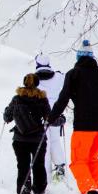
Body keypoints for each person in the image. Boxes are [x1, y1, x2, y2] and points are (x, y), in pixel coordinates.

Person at [48, 40, 98, 194]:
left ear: (79, 57)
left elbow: (63, 98)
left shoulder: (74, 74)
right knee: (92, 160)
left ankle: (90, 192)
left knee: (78, 161)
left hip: (84, 126)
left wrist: (51, 117)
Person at [3, 73, 51, 194]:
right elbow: (49, 117)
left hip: (20, 139)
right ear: (37, 83)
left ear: (24, 83)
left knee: (23, 166)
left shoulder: (17, 98)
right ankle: (39, 192)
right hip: (38, 140)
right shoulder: (42, 99)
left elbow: (7, 118)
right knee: (39, 165)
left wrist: (7, 111)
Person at [35, 53, 66, 181]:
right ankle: (59, 168)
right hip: (56, 115)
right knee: (55, 141)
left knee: (44, 145)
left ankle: (45, 175)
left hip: (40, 116)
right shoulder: (58, 77)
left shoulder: (34, 79)